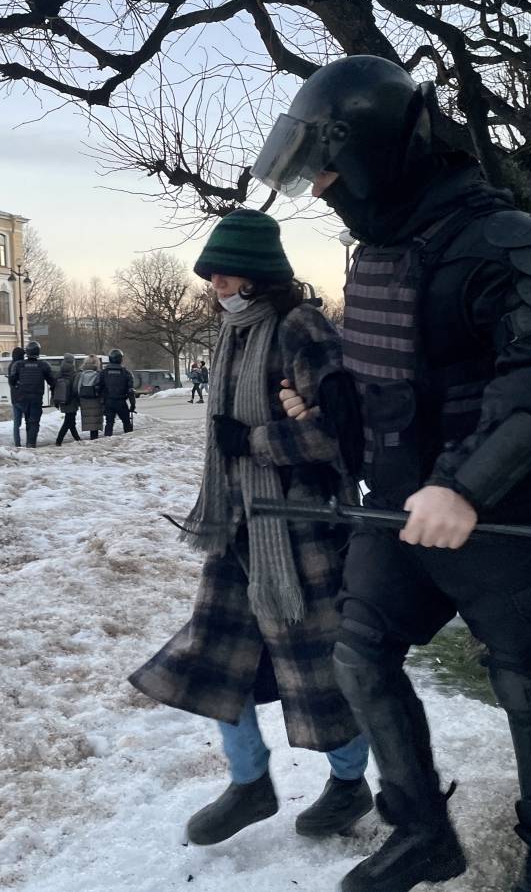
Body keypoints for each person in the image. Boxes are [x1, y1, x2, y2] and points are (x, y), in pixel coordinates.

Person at [257, 56, 531, 892]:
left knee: (525, 681)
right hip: (397, 512)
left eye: (330, 169)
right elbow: (396, 388)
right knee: (361, 655)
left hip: (500, 514)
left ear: (373, 148)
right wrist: (328, 405)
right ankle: (423, 832)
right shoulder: (377, 254)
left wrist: (465, 486)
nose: (326, 189)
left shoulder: (518, 244)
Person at [130, 209, 372, 850]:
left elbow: (342, 433)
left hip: (301, 534)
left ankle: (350, 782)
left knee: (317, 674)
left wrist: (258, 440)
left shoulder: (302, 327)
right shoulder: (234, 333)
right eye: (211, 273)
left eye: (227, 272)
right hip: (238, 529)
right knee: (217, 664)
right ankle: (249, 782)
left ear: (260, 275)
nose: (216, 283)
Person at [8, 342, 56, 447]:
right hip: (36, 398)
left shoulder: (19, 365)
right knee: (33, 422)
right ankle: (31, 444)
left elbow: (12, 381)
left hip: (22, 398)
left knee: (27, 420)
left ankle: (29, 444)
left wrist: (18, 384)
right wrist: (54, 392)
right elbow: (52, 381)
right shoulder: (43, 365)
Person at [99, 348, 135, 435]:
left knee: (109, 424)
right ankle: (129, 442)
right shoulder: (126, 373)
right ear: (120, 359)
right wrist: (133, 404)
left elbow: (99, 388)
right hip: (121, 402)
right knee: (127, 423)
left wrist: (102, 402)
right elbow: (130, 391)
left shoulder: (104, 373)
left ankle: (107, 443)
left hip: (109, 402)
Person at [53, 353, 83, 445]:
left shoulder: (60, 372)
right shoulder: (74, 373)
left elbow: (54, 387)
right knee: (68, 421)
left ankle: (77, 439)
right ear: (72, 361)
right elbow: (75, 389)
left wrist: (56, 400)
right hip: (72, 400)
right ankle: (59, 441)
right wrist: (79, 401)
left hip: (63, 399)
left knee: (70, 420)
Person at [78, 354, 104, 440]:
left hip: (85, 401)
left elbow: (78, 388)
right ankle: (94, 438)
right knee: (95, 421)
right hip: (95, 400)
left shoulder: (82, 374)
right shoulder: (98, 374)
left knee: (89, 420)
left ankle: (92, 437)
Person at [6, 347, 26, 444]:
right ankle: (29, 441)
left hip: (14, 397)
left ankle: (17, 443)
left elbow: (11, 382)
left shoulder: (11, 365)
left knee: (16, 423)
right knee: (29, 421)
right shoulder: (21, 365)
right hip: (24, 397)